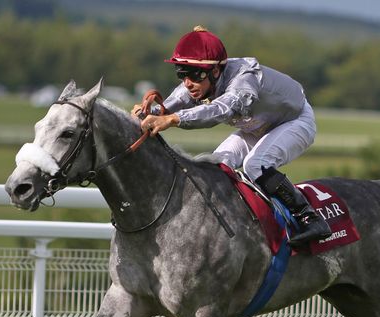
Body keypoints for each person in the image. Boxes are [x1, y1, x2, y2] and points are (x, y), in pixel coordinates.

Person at [133, 26, 330, 246]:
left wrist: (172, 119)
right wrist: (148, 113)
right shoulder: (199, 80)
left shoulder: (243, 81)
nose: (188, 83)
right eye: (182, 74)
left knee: (255, 165)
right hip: (257, 126)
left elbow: (221, 110)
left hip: (295, 121)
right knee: (216, 165)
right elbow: (167, 108)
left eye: (194, 75)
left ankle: (309, 218)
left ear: (216, 71)